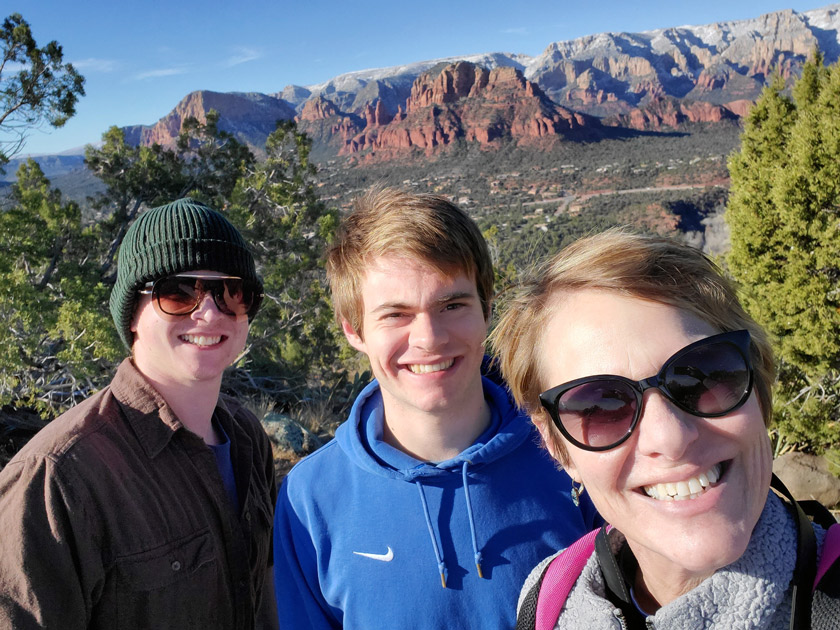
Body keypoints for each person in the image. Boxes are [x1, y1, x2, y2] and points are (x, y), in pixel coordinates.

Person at [272, 187, 600, 629]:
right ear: (354, 330)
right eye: (396, 314)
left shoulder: (573, 453)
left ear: (487, 308)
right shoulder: (310, 498)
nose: (429, 337)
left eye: (452, 305)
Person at [492, 228, 839, 629]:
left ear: (758, 391)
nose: (671, 439)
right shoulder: (548, 599)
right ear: (558, 446)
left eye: (704, 376)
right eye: (602, 406)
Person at [0, 198, 279, 630]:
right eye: (178, 292)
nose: (208, 312)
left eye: (231, 292)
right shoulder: (56, 478)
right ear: (132, 313)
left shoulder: (247, 438)